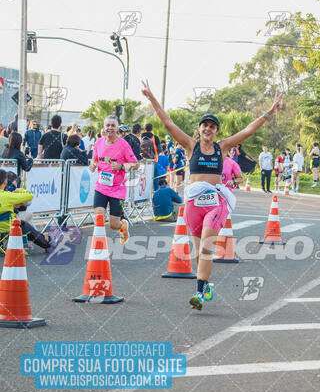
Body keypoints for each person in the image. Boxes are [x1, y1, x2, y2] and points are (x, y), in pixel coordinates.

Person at [141, 79, 283, 311]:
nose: (208, 129)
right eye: (204, 126)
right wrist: (151, 97)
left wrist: (269, 111)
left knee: (207, 247)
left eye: (212, 127)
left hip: (215, 203)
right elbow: (167, 123)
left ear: (216, 131)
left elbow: (248, 130)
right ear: (199, 129)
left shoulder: (223, 147)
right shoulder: (190, 145)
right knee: (199, 252)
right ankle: (205, 286)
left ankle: (199, 293)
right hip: (193, 205)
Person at [90, 115, 139, 244]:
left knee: (113, 224)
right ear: (104, 127)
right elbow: (95, 158)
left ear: (117, 128)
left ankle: (123, 225)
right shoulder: (99, 142)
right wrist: (93, 164)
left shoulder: (123, 144)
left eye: (113, 125)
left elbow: (135, 164)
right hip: (101, 187)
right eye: (108, 125)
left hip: (117, 190)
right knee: (99, 216)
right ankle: (99, 246)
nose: (110, 128)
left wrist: (121, 166)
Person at [0, 169, 51, 251]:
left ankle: (45, 239)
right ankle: (46, 242)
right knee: (26, 228)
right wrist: (19, 190)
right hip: (7, 226)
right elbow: (29, 196)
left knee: (25, 225)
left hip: (4, 226)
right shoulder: (7, 196)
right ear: (5, 181)